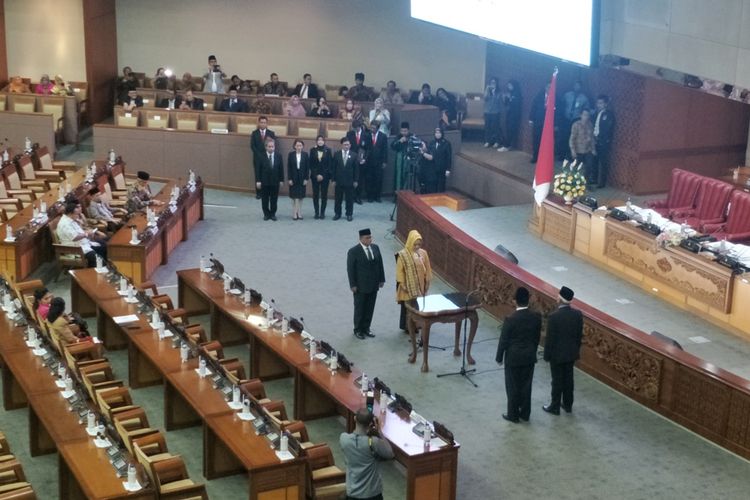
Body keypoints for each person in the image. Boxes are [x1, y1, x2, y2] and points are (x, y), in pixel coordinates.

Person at [495, 286, 541, 423]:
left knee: (512, 386)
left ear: (515, 301)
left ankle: (513, 415)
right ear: (528, 300)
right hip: (529, 356)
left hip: (513, 358)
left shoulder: (510, 319)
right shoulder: (536, 317)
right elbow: (536, 338)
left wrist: (499, 357)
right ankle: (525, 413)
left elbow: (504, 340)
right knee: (527, 385)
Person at [543, 286, 583, 415]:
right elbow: (578, 336)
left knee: (557, 380)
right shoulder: (577, 315)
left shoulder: (554, 317)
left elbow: (550, 339)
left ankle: (554, 406)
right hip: (571, 353)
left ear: (560, 299)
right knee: (568, 379)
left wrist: (546, 356)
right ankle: (567, 404)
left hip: (557, 355)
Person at [340, 408, 394, 500]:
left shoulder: (343, 439)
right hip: (372, 494)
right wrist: (379, 432)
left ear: (354, 419)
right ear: (370, 424)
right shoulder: (373, 442)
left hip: (353, 494)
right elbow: (390, 453)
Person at [347, 228, 385, 339]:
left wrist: (381, 279)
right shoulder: (353, 251)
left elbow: (380, 264)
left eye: (370, 237)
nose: (370, 239)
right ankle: (358, 329)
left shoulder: (375, 248)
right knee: (360, 308)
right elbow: (350, 269)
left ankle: (366, 328)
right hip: (360, 286)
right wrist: (352, 285)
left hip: (373, 284)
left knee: (370, 307)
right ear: (361, 239)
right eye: (367, 238)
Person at [396, 230, 432, 332]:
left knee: (418, 306)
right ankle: (408, 327)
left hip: (420, 285)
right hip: (408, 286)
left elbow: (428, 268)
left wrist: (427, 282)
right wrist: (403, 284)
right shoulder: (403, 255)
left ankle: (417, 325)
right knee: (409, 308)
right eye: (415, 244)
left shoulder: (423, 253)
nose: (417, 246)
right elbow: (400, 271)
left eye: (419, 244)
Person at [56, 201, 107, 267]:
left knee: (104, 247)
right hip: (74, 250)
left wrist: (88, 233)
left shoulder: (71, 219)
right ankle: (95, 271)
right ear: (71, 214)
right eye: (77, 214)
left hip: (83, 244)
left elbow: (80, 231)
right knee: (96, 257)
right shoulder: (65, 224)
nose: (78, 216)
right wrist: (86, 234)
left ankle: (104, 266)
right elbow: (75, 237)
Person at [255, 138, 284, 221]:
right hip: (264, 181)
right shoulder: (261, 156)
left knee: (274, 199)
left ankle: (273, 214)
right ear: (266, 147)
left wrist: (281, 180)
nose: (271, 148)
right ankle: (266, 214)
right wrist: (258, 181)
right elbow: (258, 170)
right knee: (265, 199)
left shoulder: (278, 155)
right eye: (269, 146)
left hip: (275, 181)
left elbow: (281, 168)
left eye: (273, 146)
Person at [332, 137, 358, 221]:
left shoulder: (354, 155)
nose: (346, 146)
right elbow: (334, 168)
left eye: (348, 144)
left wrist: (356, 180)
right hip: (338, 181)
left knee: (349, 199)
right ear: (341, 145)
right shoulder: (337, 154)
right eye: (345, 144)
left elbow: (356, 170)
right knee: (338, 199)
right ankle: (337, 213)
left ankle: (349, 214)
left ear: (350, 145)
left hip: (350, 181)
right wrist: (333, 180)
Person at [593, 94, 615, 188]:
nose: (599, 105)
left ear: (605, 104)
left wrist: (602, 139)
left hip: (604, 141)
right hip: (596, 140)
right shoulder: (597, 113)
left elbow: (607, 129)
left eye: (601, 103)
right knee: (595, 160)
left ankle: (602, 182)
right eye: (598, 103)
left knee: (603, 162)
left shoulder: (608, 114)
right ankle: (594, 179)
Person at [250, 116, 276, 197]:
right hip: (257, 158)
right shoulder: (254, 133)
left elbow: (273, 145)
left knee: (267, 174)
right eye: (261, 122)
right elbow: (252, 146)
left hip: (268, 157)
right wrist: (259, 155)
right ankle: (259, 193)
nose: (263, 124)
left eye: (264, 122)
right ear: (258, 123)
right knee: (258, 174)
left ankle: (267, 192)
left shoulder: (271, 133)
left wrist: (266, 154)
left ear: (267, 123)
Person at [309, 136, 333, 219]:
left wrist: (322, 175)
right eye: (318, 140)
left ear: (324, 141)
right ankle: (316, 212)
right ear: (316, 141)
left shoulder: (328, 150)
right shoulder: (312, 150)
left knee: (324, 195)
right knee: (315, 195)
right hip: (315, 176)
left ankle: (322, 213)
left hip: (325, 177)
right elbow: (311, 164)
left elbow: (330, 165)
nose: (320, 141)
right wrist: (316, 175)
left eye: (322, 140)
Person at [346, 120, 370, 205]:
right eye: (354, 128)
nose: (356, 129)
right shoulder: (349, 134)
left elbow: (368, 149)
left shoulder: (366, 135)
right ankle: (351, 196)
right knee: (351, 178)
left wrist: (365, 159)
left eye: (358, 128)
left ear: (360, 127)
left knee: (360, 179)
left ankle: (358, 197)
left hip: (361, 160)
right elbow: (347, 147)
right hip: (352, 160)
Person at [569, 109, 595, 184]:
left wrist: (593, 149)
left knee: (589, 167)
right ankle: (572, 183)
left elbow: (592, 138)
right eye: (584, 115)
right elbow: (572, 138)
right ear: (581, 115)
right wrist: (572, 150)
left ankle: (586, 183)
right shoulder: (576, 124)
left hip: (588, 150)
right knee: (575, 167)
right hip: (578, 150)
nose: (586, 117)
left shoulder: (590, 125)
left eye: (588, 115)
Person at [422, 127, 452, 193]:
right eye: (436, 133)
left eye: (439, 133)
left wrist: (448, 169)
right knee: (433, 187)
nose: (437, 134)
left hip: (442, 169)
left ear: (442, 134)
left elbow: (449, 157)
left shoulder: (446, 143)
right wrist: (424, 149)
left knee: (441, 187)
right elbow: (429, 152)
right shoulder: (432, 142)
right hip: (433, 169)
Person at [366, 120, 388, 203]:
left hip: (379, 161)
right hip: (369, 161)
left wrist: (384, 162)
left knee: (378, 179)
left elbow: (385, 150)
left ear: (378, 128)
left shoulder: (383, 136)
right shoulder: (367, 135)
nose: (372, 129)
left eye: (374, 128)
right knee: (369, 179)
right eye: (371, 127)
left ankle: (377, 196)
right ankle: (370, 196)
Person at [287, 139, 309, 220]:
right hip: (293, 178)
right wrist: (289, 179)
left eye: (300, 145)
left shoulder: (305, 155)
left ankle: (299, 212)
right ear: (294, 146)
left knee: (301, 197)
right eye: (297, 145)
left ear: (302, 146)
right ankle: (295, 213)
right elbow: (289, 167)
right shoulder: (291, 154)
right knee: (295, 197)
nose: (299, 147)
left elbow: (307, 168)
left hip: (302, 178)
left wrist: (306, 178)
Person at [498, 79, 522, 151]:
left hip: (515, 115)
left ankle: (507, 146)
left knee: (511, 130)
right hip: (509, 113)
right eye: (508, 85)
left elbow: (516, 104)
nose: (509, 87)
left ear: (513, 85)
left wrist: (510, 98)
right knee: (507, 129)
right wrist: (504, 98)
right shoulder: (510, 93)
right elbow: (506, 104)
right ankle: (507, 145)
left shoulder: (517, 93)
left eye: (510, 85)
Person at [390, 122, 415, 192]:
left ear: (408, 130)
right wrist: (399, 141)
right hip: (400, 161)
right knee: (398, 177)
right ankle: (397, 196)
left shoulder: (412, 136)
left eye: (405, 131)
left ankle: (407, 196)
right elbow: (392, 146)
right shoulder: (398, 137)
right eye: (402, 131)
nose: (403, 133)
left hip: (409, 161)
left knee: (408, 178)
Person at [483, 77, 502, 148]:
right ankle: (488, 141)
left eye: (494, 83)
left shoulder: (499, 92)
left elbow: (498, 100)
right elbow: (485, 98)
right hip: (487, 112)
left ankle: (497, 142)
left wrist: (494, 93)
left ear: (496, 84)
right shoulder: (487, 90)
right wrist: (487, 89)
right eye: (491, 82)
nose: (493, 84)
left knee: (495, 128)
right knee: (487, 127)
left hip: (496, 112)